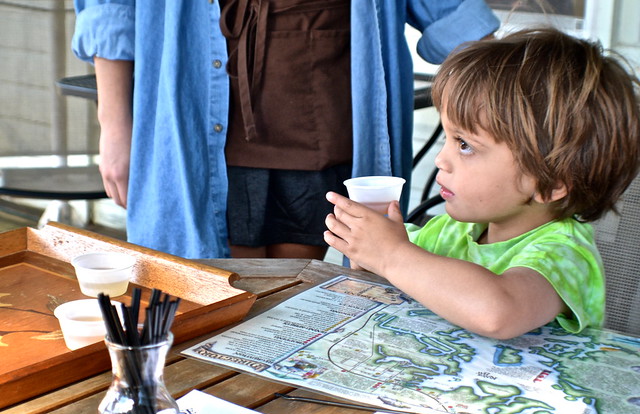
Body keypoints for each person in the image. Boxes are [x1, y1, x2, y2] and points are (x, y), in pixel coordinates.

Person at [71, 0, 499, 259]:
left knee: (292, 298)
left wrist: (507, 133)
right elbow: (111, 9)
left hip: (324, 114)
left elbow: (456, 18)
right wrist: (114, 124)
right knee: (216, 299)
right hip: (194, 117)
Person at [324, 28, 640, 340]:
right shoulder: (449, 232)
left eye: (465, 145)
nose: (440, 160)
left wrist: (391, 255)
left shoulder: (564, 254)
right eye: (448, 138)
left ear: (550, 183)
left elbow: (497, 313)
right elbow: (383, 289)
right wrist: (367, 253)